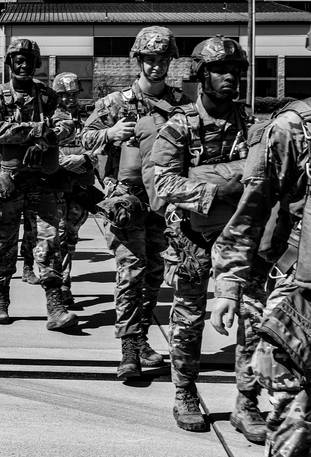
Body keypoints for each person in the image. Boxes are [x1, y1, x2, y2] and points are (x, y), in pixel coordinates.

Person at [211, 0, 311, 455]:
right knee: (295, 439)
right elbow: (251, 213)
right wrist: (229, 287)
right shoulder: (292, 128)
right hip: (301, 313)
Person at [150, 37, 261, 435]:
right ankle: (184, 392)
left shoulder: (251, 124)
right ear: (202, 75)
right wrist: (222, 187)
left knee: (252, 315)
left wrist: (213, 178)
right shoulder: (180, 125)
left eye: (236, 71)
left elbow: (263, 177)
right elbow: (162, 183)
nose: (230, 77)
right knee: (188, 317)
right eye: (220, 70)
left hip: (239, 235)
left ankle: (247, 402)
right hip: (191, 239)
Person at [82, 25, 189, 380]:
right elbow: (84, 137)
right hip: (126, 201)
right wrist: (109, 134)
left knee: (154, 274)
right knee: (131, 272)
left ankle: (141, 337)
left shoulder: (180, 106)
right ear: (138, 60)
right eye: (148, 59)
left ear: (170, 61)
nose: (155, 66)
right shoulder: (115, 103)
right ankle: (128, 349)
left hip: (164, 202)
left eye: (162, 60)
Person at [0, 38, 77, 331]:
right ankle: (1, 298)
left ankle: (55, 307)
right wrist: (37, 131)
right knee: (2, 243)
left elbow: (67, 124)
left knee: (49, 242)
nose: (23, 65)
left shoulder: (47, 96)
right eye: (18, 60)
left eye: (29, 60)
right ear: (10, 63)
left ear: (36, 64)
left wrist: (47, 139)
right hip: (9, 180)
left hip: (42, 180)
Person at [51, 72, 99, 307]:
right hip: (57, 186)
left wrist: (87, 160)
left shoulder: (88, 117)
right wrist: (63, 160)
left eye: (73, 94)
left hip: (81, 187)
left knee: (71, 237)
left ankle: (64, 281)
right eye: (65, 95)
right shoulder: (50, 117)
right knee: (58, 237)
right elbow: (44, 147)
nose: (70, 99)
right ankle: (62, 285)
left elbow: (100, 145)